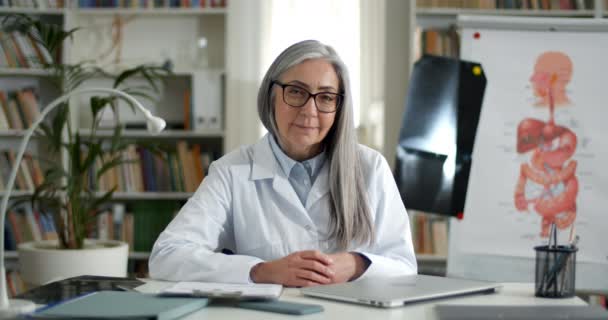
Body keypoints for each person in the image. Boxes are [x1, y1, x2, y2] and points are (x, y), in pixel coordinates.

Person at [149, 40, 417, 287]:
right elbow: (167, 256)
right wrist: (261, 271)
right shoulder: (231, 172)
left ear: (339, 108)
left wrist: (356, 264)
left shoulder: (371, 168)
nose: (309, 111)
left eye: (325, 97)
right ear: (271, 95)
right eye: (296, 92)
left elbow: (405, 267)